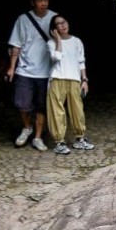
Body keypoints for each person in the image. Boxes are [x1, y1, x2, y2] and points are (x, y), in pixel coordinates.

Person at [6, 0, 55, 149]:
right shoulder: (23, 19)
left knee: (42, 106)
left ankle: (38, 137)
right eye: (40, 0)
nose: (44, 3)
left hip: (46, 71)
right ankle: (27, 127)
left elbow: (63, 43)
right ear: (32, 2)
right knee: (22, 104)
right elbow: (16, 44)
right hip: (24, 70)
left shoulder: (55, 18)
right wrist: (12, 67)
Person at [45, 17, 92, 154]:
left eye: (64, 22)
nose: (62, 25)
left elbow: (81, 61)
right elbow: (56, 58)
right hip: (57, 79)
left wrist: (84, 79)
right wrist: (58, 40)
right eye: (58, 24)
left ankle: (80, 139)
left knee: (77, 110)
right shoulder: (51, 43)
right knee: (57, 111)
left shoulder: (77, 41)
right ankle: (59, 142)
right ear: (54, 29)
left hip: (74, 79)